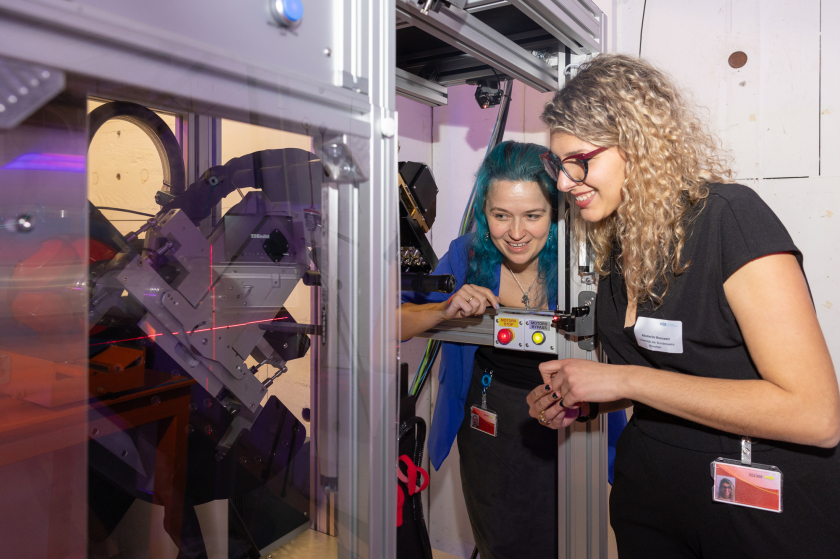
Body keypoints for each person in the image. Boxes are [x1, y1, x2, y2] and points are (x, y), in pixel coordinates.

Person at [528, 54, 840, 558]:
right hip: (652, 497)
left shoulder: (729, 221)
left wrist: (624, 381)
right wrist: (585, 398)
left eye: (578, 161)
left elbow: (817, 415)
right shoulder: (618, 246)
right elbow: (665, 372)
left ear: (640, 146)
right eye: (556, 166)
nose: (564, 183)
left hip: (755, 510)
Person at [400, 141, 626, 559]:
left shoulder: (587, 257)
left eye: (533, 216)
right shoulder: (466, 256)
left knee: (564, 539)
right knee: (500, 540)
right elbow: (394, 322)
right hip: (488, 417)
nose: (517, 233)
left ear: (557, 212)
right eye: (500, 215)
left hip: (572, 421)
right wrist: (444, 311)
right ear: (484, 212)